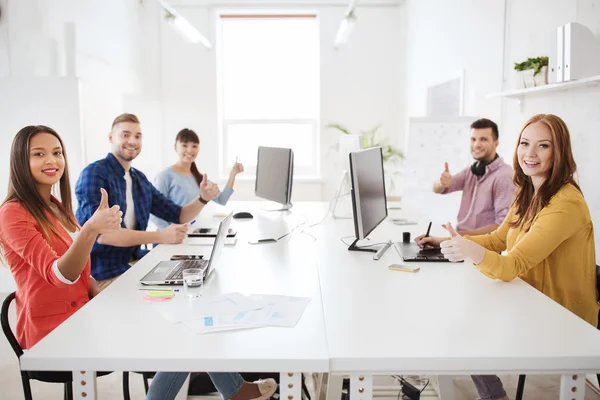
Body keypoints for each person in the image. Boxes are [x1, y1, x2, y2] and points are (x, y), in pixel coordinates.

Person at [417, 114, 597, 400]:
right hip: (528, 297)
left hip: (559, 317)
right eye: (525, 143)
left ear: (560, 151)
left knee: (464, 330)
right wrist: (448, 241)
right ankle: (494, 394)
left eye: (543, 146)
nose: (530, 153)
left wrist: (470, 252)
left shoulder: (566, 203)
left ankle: (494, 395)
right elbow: (499, 239)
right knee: (456, 321)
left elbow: (512, 264)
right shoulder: (527, 191)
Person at [0, 125, 121, 351]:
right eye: (39, 154)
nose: (52, 160)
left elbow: (79, 267)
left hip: (80, 316)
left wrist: (96, 289)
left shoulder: (56, 207)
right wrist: (91, 229)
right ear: (19, 161)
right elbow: (60, 275)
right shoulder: (12, 212)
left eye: (57, 153)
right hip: (50, 334)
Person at [75, 114, 221, 289]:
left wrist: (203, 198)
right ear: (111, 137)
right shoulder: (94, 174)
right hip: (103, 274)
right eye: (125, 135)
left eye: (138, 136)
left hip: (134, 263)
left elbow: (179, 215)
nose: (132, 141)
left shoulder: (139, 179)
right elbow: (104, 235)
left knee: (196, 277)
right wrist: (160, 236)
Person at [433, 118, 515, 235]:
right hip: (462, 241)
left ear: (496, 143)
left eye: (483, 139)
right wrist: (441, 183)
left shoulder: (504, 176)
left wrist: (459, 235)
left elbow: (502, 226)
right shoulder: (471, 171)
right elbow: (438, 189)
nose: (476, 144)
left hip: (483, 248)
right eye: (473, 139)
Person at [151, 128, 244, 230]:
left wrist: (233, 174)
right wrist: (168, 232)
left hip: (190, 236)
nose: (190, 150)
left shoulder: (200, 179)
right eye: (184, 145)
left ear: (198, 149)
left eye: (194, 146)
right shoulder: (164, 176)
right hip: (168, 241)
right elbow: (153, 212)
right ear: (175, 147)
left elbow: (221, 200)